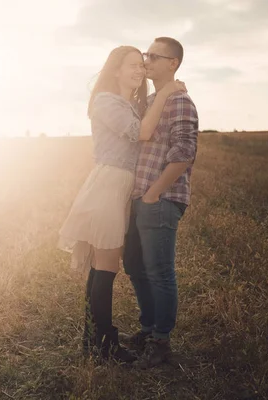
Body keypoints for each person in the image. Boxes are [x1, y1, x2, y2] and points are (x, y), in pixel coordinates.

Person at [58, 45, 186, 363]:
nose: (139, 70)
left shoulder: (130, 103)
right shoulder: (106, 102)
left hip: (121, 187)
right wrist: (168, 88)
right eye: (131, 64)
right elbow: (142, 133)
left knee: (103, 266)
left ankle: (95, 339)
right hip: (109, 185)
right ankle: (104, 344)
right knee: (106, 267)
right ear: (114, 69)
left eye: (141, 66)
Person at [121, 37, 199, 369]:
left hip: (161, 199)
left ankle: (161, 342)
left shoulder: (179, 101)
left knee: (159, 271)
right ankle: (149, 328)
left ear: (173, 63)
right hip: (141, 198)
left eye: (155, 56)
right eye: (146, 54)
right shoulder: (153, 100)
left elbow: (184, 154)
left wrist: (154, 192)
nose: (146, 60)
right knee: (135, 266)